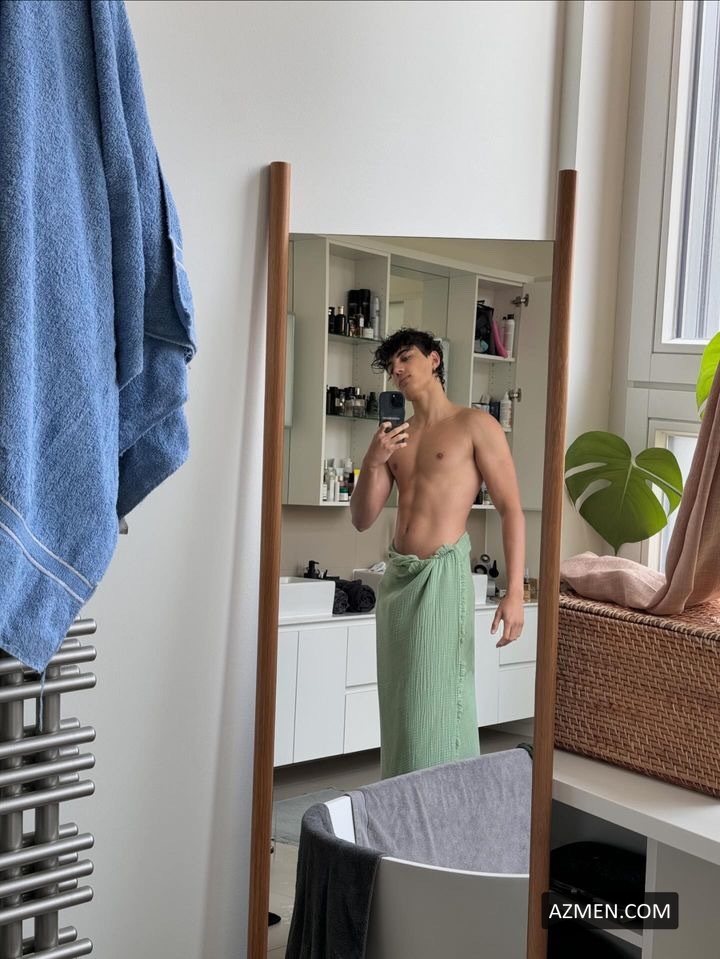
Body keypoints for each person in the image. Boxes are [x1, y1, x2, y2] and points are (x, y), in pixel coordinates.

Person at [350, 328, 525, 778]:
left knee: (438, 699)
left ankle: (447, 800)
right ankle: (401, 800)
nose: (398, 370)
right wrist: (372, 461)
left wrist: (515, 593)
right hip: (398, 580)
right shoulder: (395, 438)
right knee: (400, 704)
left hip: (442, 577)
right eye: (392, 366)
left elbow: (510, 509)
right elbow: (362, 518)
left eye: (406, 358)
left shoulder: (475, 425)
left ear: (434, 360)